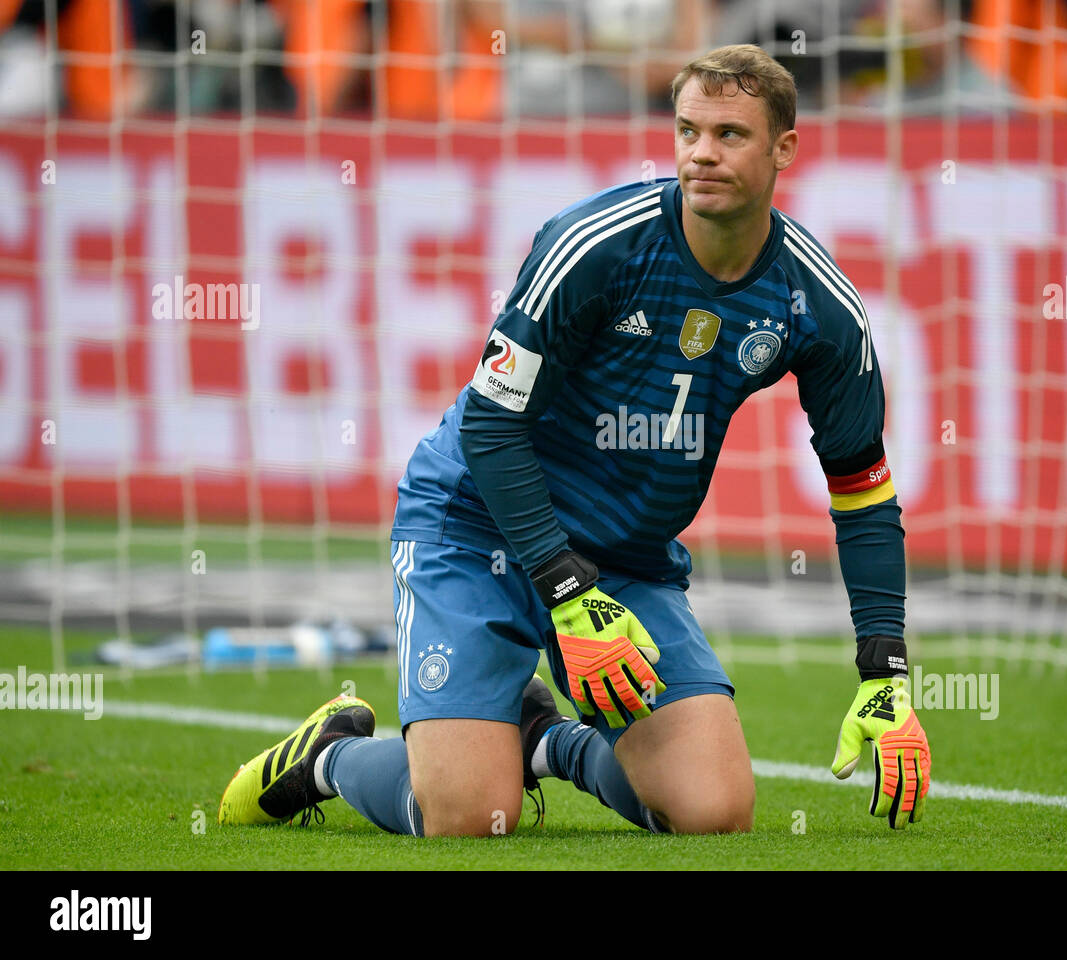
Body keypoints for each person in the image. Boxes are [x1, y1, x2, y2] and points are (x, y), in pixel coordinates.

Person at [218, 43, 931, 838]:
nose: (702, 152)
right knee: (469, 816)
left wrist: (885, 670)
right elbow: (492, 423)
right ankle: (324, 758)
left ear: (783, 149)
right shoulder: (595, 246)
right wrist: (564, 590)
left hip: (624, 557)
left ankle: (543, 742)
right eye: (688, 130)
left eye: (730, 134)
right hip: (478, 524)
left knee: (711, 811)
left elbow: (863, 495)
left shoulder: (819, 307)